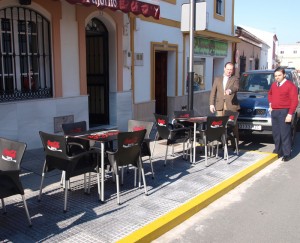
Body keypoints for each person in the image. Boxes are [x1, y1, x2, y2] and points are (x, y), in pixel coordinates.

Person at [268, 66, 298, 162]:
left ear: (284, 75)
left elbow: (294, 101)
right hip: (275, 112)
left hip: (284, 111)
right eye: (276, 76)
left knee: (285, 134)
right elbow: (270, 94)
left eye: (279, 75)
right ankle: (278, 150)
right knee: (276, 133)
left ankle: (287, 153)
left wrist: (290, 114)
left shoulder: (290, 85)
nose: (277, 77)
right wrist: (270, 104)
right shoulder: (274, 85)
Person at [209, 62, 240, 149]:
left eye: (231, 69)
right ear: (224, 68)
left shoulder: (235, 78)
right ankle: (223, 144)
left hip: (231, 106)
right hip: (220, 106)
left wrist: (230, 90)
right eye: (228, 69)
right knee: (220, 126)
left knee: (233, 126)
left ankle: (235, 145)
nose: (229, 71)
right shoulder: (217, 79)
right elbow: (213, 92)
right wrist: (211, 104)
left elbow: (236, 88)